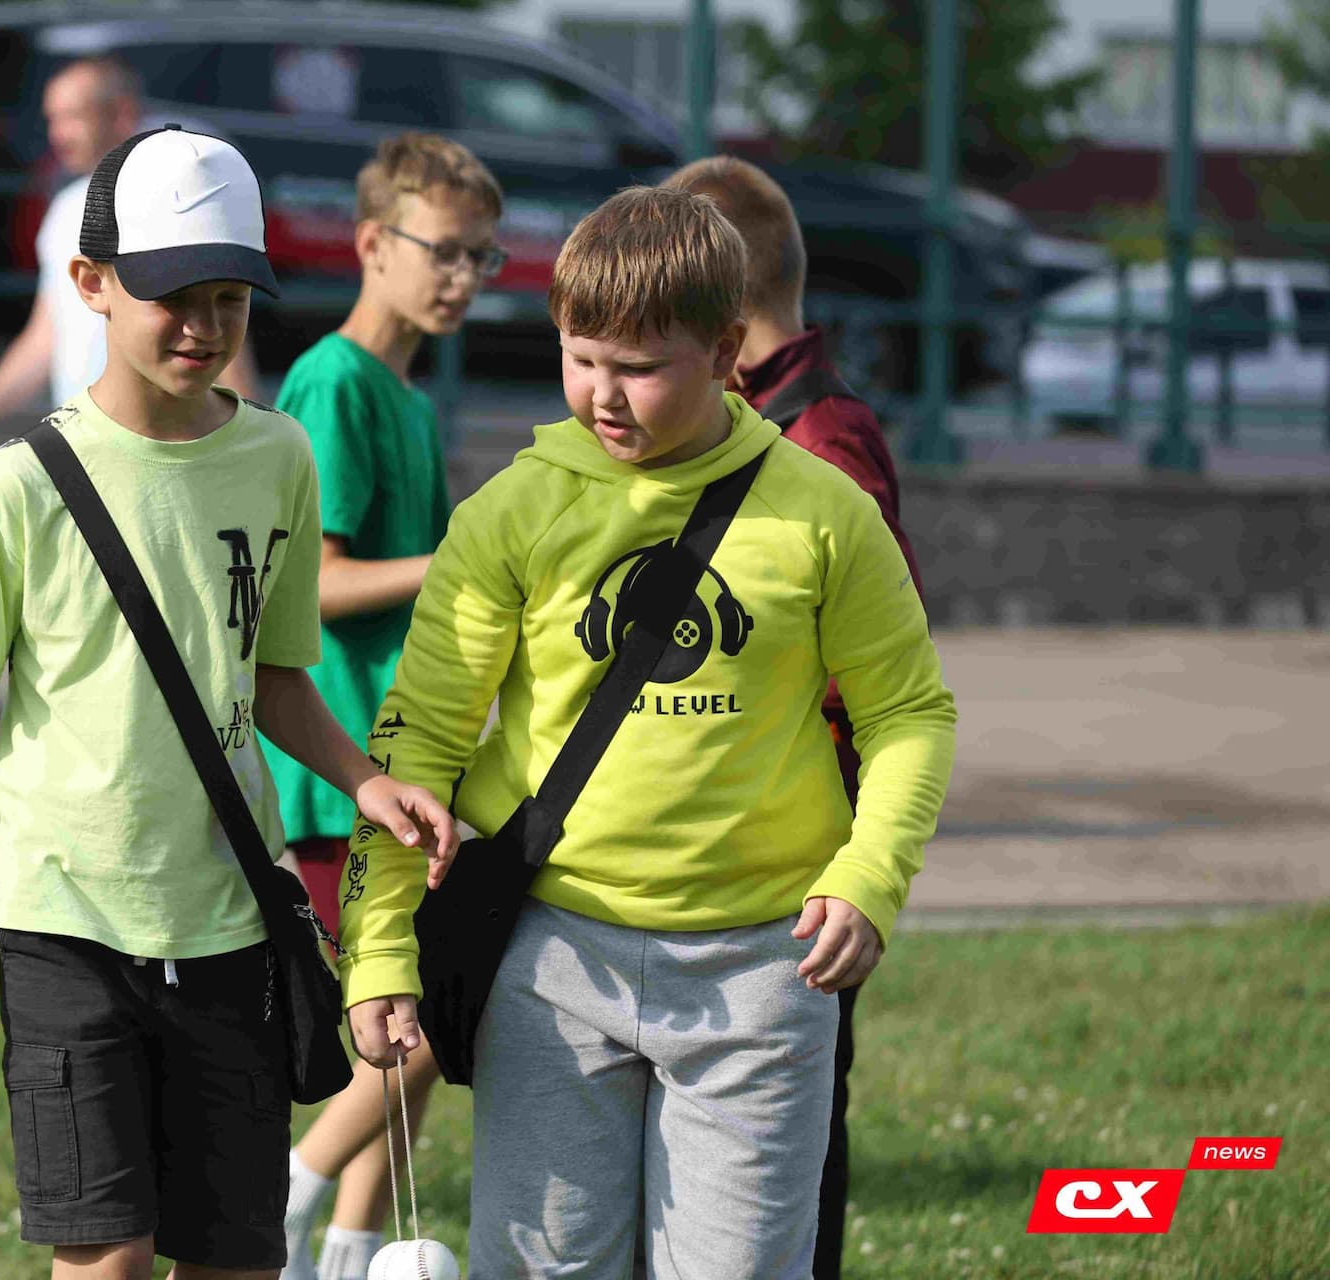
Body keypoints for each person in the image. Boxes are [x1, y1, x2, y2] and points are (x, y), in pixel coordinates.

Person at [0, 125, 457, 1280]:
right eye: (172, 294)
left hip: (233, 915)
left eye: (229, 297)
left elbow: (273, 677)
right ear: (91, 283)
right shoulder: (17, 485)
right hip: (66, 919)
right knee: (106, 1257)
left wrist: (364, 780)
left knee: (237, 1260)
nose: (202, 325)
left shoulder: (279, 457)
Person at [338, 186, 957, 1278]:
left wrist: (871, 876)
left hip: (762, 973)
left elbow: (908, 712)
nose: (603, 395)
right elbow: (417, 745)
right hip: (550, 959)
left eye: (638, 367)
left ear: (725, 350)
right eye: (580, 359)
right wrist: (380, 946)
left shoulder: (824, 513)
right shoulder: (510, 513)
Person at [666, 153, 927, 1280]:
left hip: (798, 869)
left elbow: (875, 680)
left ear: (718, 302)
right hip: (753, 851)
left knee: (787, 1169)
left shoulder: (819, 441)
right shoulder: (766, 417)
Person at [259, 134, 504, 1280]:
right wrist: (463, 557)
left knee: (409, 1015)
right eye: (443, 250)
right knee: (432, 1001)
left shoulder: (404, 398)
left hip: (413, 758)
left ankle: (352, 1250)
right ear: (371, 244)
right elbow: (314, 585)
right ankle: (292, 1195)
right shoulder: (333, 383)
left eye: (480, 256)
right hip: (345, 766)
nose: (463, 275)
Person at [0, 55, 260, 480]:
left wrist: (253, 446)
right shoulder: (67, 209)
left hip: (167, 456)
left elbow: (214, 329)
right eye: (52, 119)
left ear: (121, 113)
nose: (57, 134)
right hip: (86, 455)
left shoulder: (176, 201)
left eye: (72, 117)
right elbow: (45, 337)